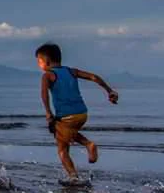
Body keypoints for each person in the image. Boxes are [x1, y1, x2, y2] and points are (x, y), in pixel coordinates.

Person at [36, 43, 119, 180]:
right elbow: (93, 77)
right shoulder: (71, 71)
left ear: (46, 62)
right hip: (82, 114)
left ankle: (87, 148)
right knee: (63, 142)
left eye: (38, 62)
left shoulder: (48, 76)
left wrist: (48, 113)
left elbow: (44, 94)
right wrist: (109, 91)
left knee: (61, 146)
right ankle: (73, 176)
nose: (39, 65)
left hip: (66, 116)